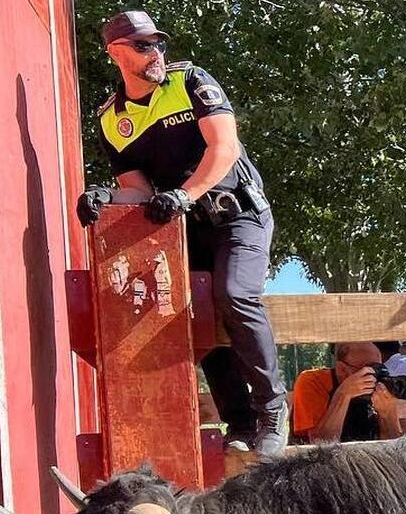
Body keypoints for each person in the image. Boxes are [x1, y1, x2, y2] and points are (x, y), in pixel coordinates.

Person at [76, 10, 286, 455]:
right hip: (184, 230)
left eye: (156, 43)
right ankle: (241, 424)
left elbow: (224, 148)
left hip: (238, 215)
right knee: (193, 314)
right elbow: (138, 190)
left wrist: (186, 195)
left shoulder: (189, 80)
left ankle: (273, 409)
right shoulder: (111, 118)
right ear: (116, 53)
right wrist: (104, 198)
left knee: (234, 296)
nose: (155, 53)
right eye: (142, 45)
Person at [291, 342, 403, 444]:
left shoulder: (379, 389)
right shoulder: (313, 381)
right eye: (368, 370)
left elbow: (395, 451)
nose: (374, 376)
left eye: (378, 368)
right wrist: (343, 395)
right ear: (342, 370)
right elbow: (319, 445)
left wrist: (387, 414)